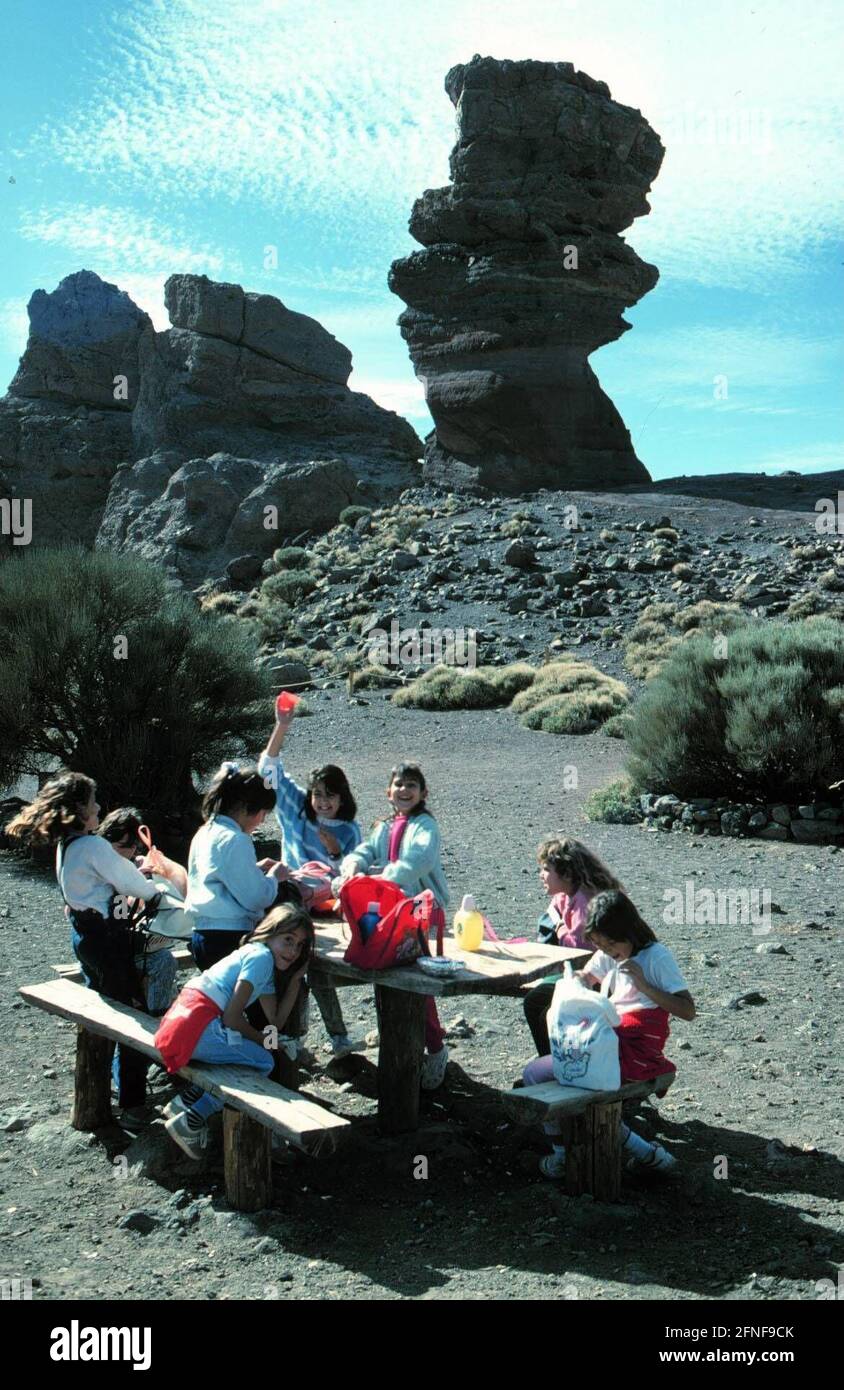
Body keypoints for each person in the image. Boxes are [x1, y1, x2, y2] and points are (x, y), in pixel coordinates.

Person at [6, 773, 163, 1109]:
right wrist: (153, 892)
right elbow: (135, 886)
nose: (99, 807)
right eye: (93, 802)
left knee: (109, 1010)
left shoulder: (67, 845)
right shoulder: (94, 845)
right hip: (108, 943)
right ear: (80, 808)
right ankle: (133, 1103)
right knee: (133, 1017)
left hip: (85, 937)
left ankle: (112, 1090)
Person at [523, 890, 695, 1179]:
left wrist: (644, 985)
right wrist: (577, 982)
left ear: (628, 930)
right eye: (601, 945)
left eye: (612, 944)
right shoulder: (608, 955)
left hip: (632, 1054)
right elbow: (588, 976)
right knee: (560, 1080)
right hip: (608, 1046)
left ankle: (562, 1154)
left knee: (539, 1076)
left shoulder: (656, 958)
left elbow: (688, 1010)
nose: (608, 951)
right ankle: (647, 1153)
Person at [156, 904, 313, 1159]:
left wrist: (295, 981)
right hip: (197, 1026)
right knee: (263, 1062)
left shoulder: (259, 960)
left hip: (182, 1023)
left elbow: (275, 1022)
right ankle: (192, 1121)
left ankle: (184, 1103)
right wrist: (264, 1043)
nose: (294, 951)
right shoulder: (261, 959)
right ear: (268, 933)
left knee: (255, 1053)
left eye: (299, 945)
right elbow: (231, 1018)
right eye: (288, 940)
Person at [337, 763, 449, 1089]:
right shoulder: (386, 826)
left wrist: (381, 879)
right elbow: (367, 849)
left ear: (423, 793)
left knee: (414, 981)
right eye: (399, 784)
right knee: (388, 972)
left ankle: (436, 1048)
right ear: (388, 792)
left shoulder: (425, 825)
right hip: (394, 911)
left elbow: (420, 859)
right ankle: (402, 1048)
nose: (404, 790)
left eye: (411, 785)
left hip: (420, 912)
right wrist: (353, 865)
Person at [258, 705, 362, 1056]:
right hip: (294, 905)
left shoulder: (349, 830)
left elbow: (353, 870)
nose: (322, 802)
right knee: (290, 969)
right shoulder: (297, 812)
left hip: (328, 906)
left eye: (330, 796)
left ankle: (337, 1037)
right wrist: (281, 726)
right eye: (318, 794)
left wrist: (334, 855)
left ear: (342, 797)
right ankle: (292, 1038)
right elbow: (268, 771)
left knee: (317, 973)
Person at [523, 837, 622, 1055]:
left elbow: (579, 950)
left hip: (599, 977)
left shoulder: (586, 902)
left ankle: (552, 1062)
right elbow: (554, 906)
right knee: (542, 1001)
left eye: (546, 869)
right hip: (588, 970)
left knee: (535, 1001)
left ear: (567, 873)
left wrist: (559, 927)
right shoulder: (572, 893)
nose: (541, 875)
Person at [185, 762, 287, 971]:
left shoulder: (205, 832)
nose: (261, 820)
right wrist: (274, 877)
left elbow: (218, 876)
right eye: (262, 813)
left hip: (203, 934)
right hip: (229, 938)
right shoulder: (236, 839)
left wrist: (254, 869)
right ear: (245, 807)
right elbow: (256, 897)